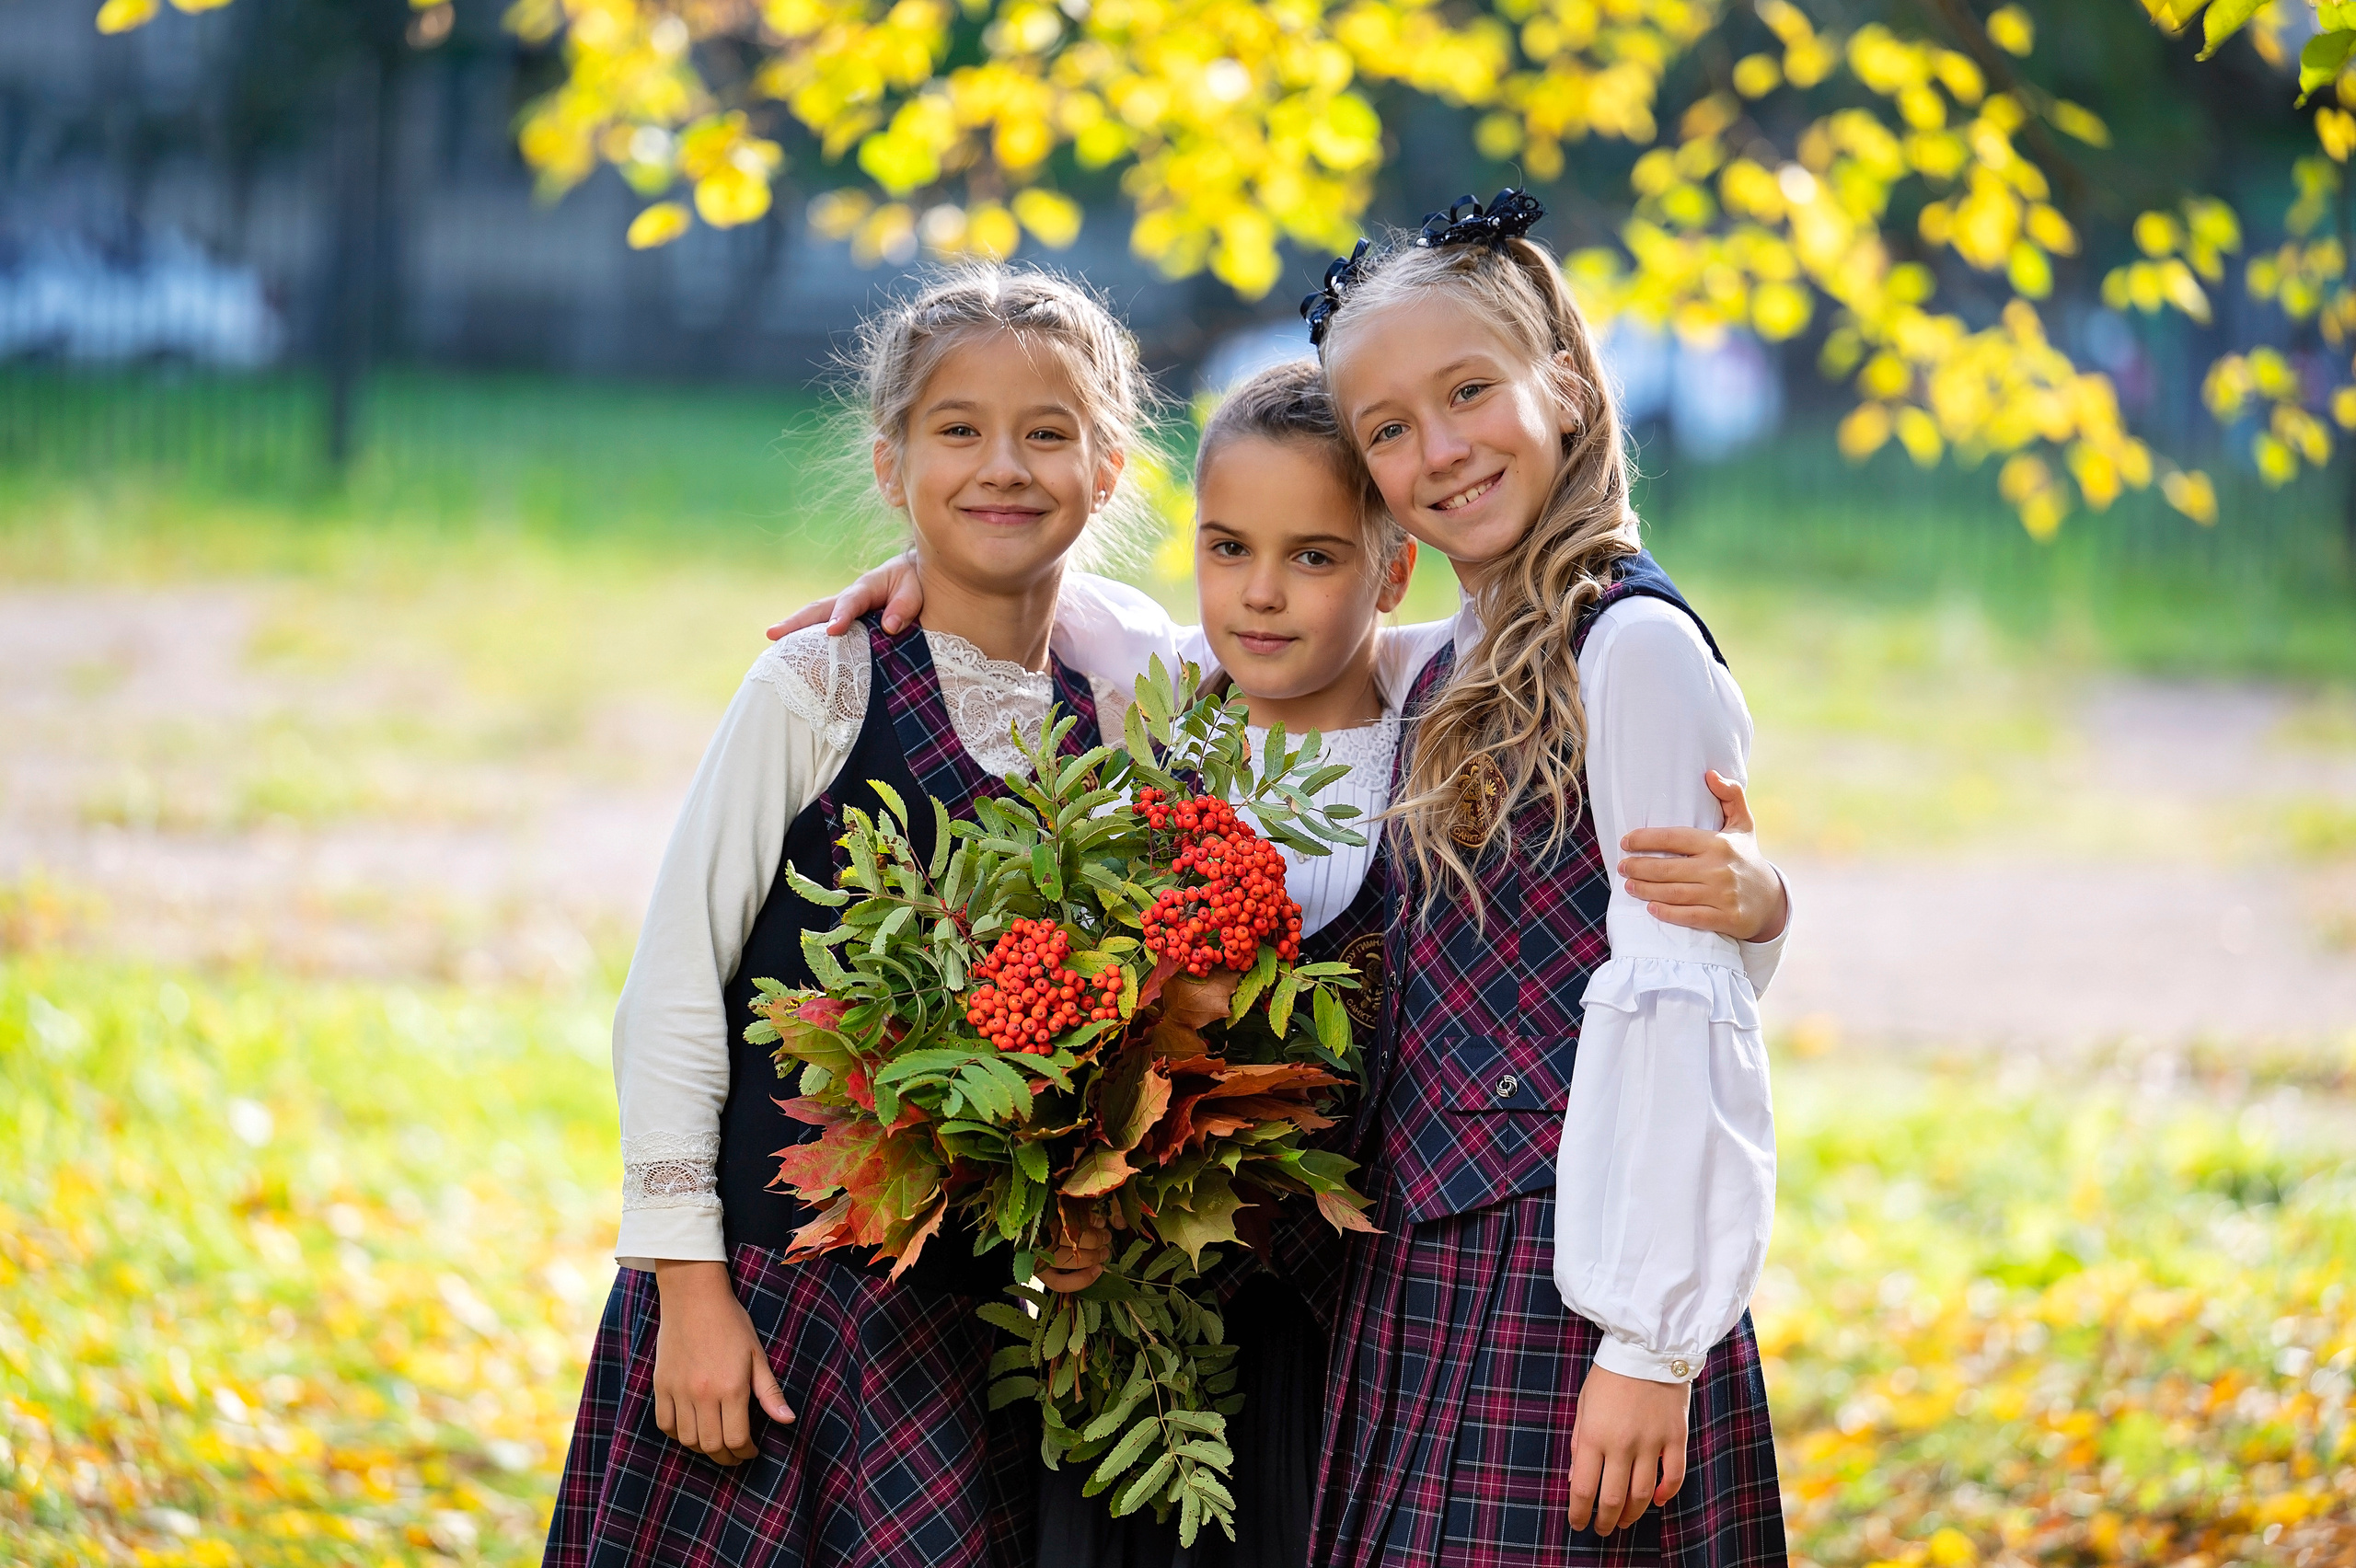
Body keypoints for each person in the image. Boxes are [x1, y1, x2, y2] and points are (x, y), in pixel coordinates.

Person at [544, 264, 1170, 1568]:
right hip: (771, 1301)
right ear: (893, 466)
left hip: (982, 1331)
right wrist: (690, 1292)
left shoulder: (1120, 714)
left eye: (1048, 434)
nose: (1003, 465)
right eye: (958, 431)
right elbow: (671, 988)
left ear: (1109, 471)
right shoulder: (817, 687)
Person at [1302, 189, 1789, 1565]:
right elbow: (1222, 641)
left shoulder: (1625, 645)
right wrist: (939, 580)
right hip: (1425, 1265)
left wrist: (1649, 1343)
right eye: (1387, 429)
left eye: (1468, 392)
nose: (1437, 450)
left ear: (1564, 383)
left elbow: (1682, 991)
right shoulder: (1442, 665)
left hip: (1574, 1277)